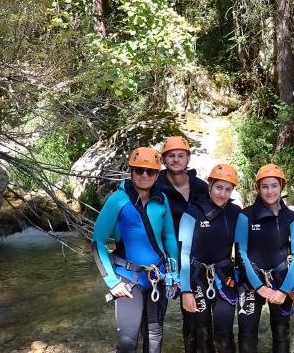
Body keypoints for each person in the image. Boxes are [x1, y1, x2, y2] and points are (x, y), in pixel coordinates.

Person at [91, 147, 179, 353]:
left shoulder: (161, 199)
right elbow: (98, 242)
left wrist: (174, 272)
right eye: (139, 170)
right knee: (127, 341)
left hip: (158, 277)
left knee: (155, 337)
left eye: (150, 171)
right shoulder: (117, 200)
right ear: (131, 171)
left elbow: (169, 237)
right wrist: (112, 282)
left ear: (158, 174)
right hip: (128, 279)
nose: (145, 175)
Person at [235, 164, 294, 353]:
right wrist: (258, 286)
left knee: (281, 333)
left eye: (274, 185)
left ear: (281, 186)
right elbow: (240, 252)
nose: (270, 191)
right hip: (250, 280)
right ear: (258, 188)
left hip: (281, 279)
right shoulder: (246, 215)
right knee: (247, 335)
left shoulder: (291, 217)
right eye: (264, 186)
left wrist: (284, 290)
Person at [179, 164, 242, 353]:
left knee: (224, 334)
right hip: (197, 278)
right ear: (210, 185)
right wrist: (185, 291)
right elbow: (183, 253)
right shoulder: (192, 213)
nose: (222, 194)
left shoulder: (235, 213)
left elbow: (241, 250)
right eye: (218, 187)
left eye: (227, 189)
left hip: (224, 277)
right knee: (202, 333)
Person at [155, 136, 210, 352]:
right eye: (171, 156)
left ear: (188, 158)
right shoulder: (155, 184)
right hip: (163, 260)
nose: (176, 160)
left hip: (195, 260)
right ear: (164, 159)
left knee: (194, 319)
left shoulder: (201, 187)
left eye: (181, 155)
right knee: (154, 319)